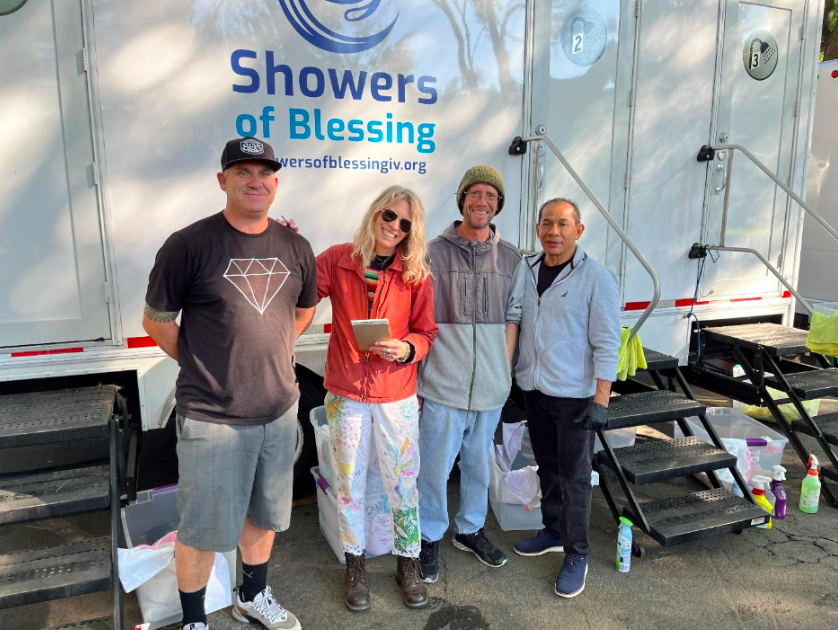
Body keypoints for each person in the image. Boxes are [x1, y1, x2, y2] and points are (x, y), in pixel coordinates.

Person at [143, 137, 316, 630]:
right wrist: (204, 363)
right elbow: (156, 320)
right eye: (243, 172)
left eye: (265, 172)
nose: (255, 181)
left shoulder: (296, 247)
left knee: (263, 515)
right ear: (223, 181)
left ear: (276, 183)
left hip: (278, 412)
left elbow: (304, 310)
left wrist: (272, 350)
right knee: (201, 528)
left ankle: (251, 596)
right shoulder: (188, 245)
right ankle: (194, 620)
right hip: (212, 416)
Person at [315, 185, 437, 613]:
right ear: (375, 213)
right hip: (346, 392)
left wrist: (406, 348)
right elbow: (301, 290)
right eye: (389, 215)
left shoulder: (415, 273)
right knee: (349, 484)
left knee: (402, 484)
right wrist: (286, 243)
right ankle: (356, 567)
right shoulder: (338, 259)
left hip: (395, 394)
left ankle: (408, 564)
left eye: (405, 223)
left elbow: (427, 332)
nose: (394, 226)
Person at [505, 198, 621, 599]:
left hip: (575, 398)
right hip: (535, 391)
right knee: (547, 468)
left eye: (563, 224)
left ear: (578, 230)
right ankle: (553, 531)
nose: (554, 231)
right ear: (538, 228)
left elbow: (607, 343)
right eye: (547, 223)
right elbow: (516, 319)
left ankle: (576, 553)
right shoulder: (527, 269)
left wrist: (601, 400)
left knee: (575, 478)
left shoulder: (596, 277)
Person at [416, 165, 522, 582]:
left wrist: (504, 371)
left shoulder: (511, 258)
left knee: (479, 467)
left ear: (498, 205)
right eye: (475, 193)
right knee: (434, 468)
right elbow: (417, 319)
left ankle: (470, 530)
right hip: (443, 384)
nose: (483, 202)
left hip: (491, 388)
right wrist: (419, 379)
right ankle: (428, 535)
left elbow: (513, 318)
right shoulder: (431, 254)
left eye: (491, 196)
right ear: (462, 200)